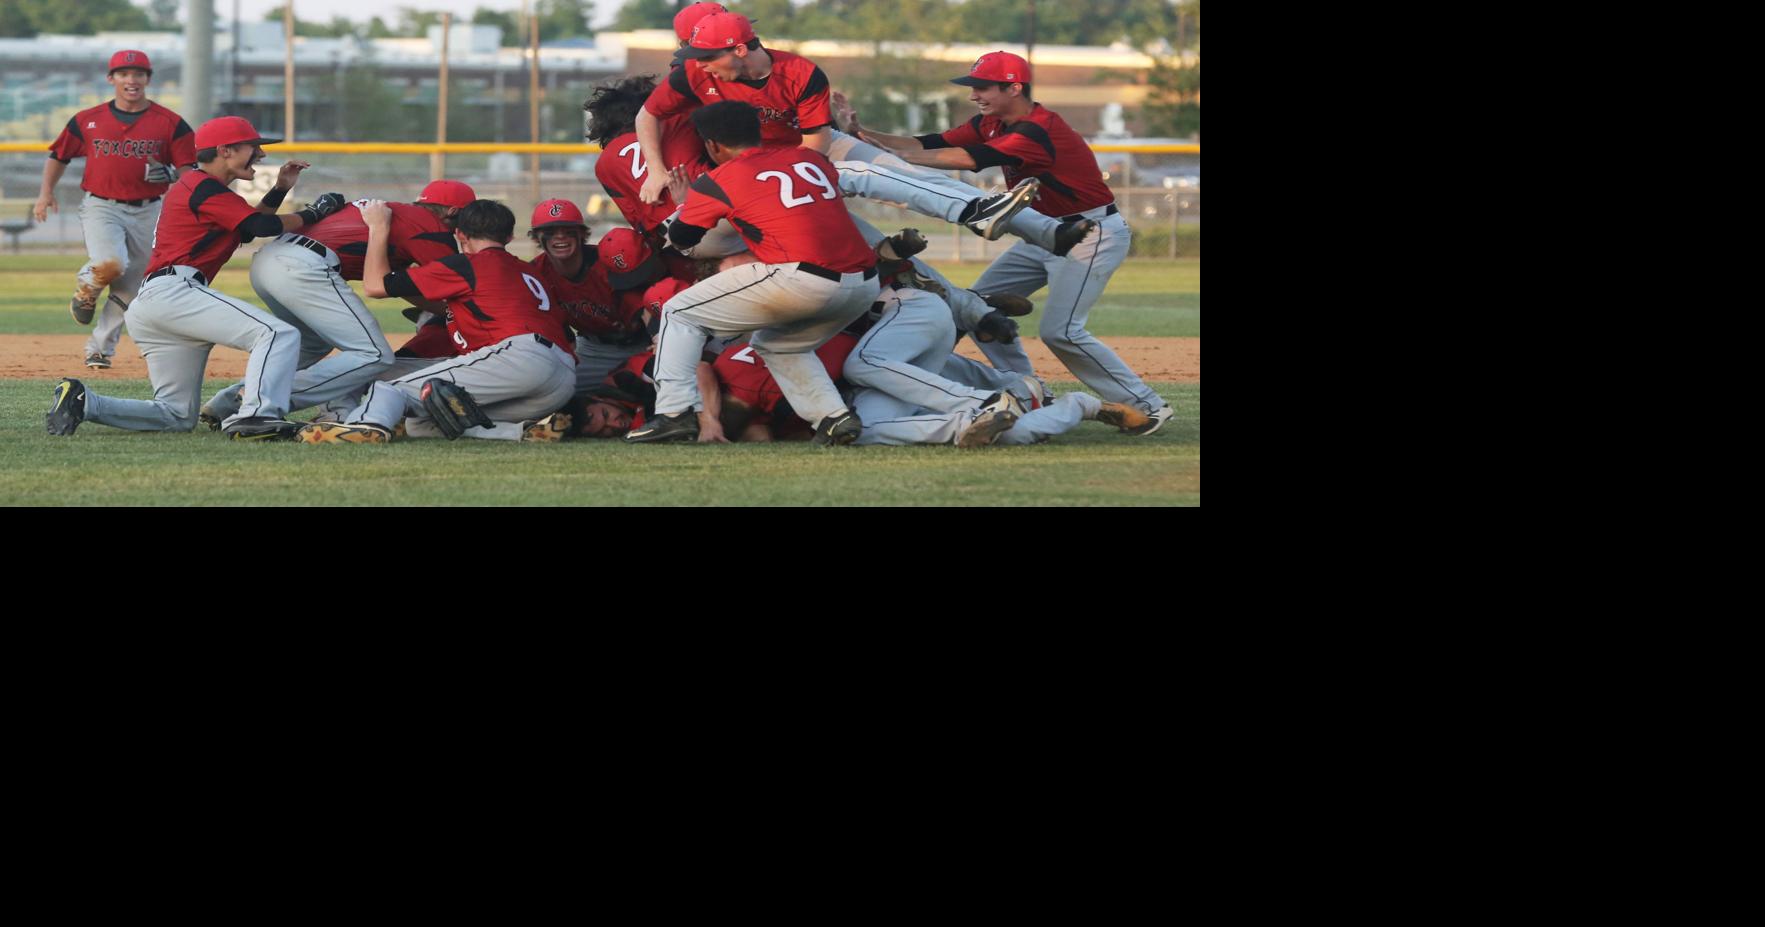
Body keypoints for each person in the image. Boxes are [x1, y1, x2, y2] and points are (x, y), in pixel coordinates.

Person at [858, 51, 1175, 434]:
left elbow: (963, 157)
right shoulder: (991, 123)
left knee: (1061, 331)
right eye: (973, 87)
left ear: (1014, 87)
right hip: (1041, 233)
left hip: (1089, 235)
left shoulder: (1037, 130)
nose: (974, 95)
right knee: (975, 308)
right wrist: (862, 137)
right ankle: (1025, 388)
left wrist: (890, 158)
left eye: (983, 87)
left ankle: (1148, 405)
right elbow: (926, 141)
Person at [46, 116, 347, 441]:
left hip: (156, 305)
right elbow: (259, 228)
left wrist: (279, 190)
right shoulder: (201, 185)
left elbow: (248, 225)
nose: (260, 155)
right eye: (253, 147)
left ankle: (84, 402)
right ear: (225, 150)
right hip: (174, 293)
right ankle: (257, 416)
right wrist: (315, 213)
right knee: (278, 335)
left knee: (175, 415)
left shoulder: (204, 189)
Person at [624, 101, 879, 446]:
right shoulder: (807, 158)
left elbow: (683, 238)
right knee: (778, 344)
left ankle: (673, 413)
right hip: (864, 284)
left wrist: (686, 206)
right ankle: (833, 418)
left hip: (803, 277)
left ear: (712, 144)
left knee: (678, 313)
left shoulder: (721, 177)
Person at [197, 179, 474, 426]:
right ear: (452, 213)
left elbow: (395, 283)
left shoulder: (403, 215)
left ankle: (232, 398)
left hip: (270, 261)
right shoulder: (429, 225)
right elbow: (447, 286)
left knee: (312, 345)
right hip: (302, 266)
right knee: (373, 354)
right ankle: (255, 402)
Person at [299, 200, 576, 444]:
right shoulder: (528, 270)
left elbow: (375, 286)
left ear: (460, 234)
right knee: (422, 421)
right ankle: (519, 433)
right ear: (510, 236)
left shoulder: (468, 264)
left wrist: (378, 228)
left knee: (391, 390)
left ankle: (363, 425)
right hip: (560, 382)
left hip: (519, 359)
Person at [34, 50, 196, 370]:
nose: (131, 80)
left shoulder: (170, 123)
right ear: (111, 79)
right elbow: (59, 155)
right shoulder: (88, 119)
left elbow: (190, 169)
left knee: (131, 287)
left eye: (138, 74)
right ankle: (87, 288)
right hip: (101, 206)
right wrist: (45, 194)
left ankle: (99, 349)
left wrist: (172, 174)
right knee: (111, 263)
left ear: (148, 79)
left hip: (150, 210)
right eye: (123, 74)